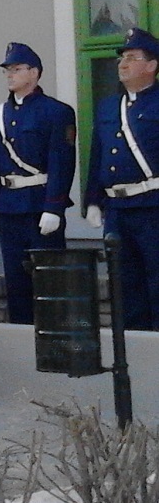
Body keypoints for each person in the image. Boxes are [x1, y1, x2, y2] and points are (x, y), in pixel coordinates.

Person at [0, 43, 77, 324]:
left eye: (17, 69)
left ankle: (55, 337)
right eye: (8, 70)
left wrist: (54, 207)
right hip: (9, 207)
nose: (10, 74)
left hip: (39, 205)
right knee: (16, 281)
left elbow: (61, 162)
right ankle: (21, 334)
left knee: (49, 280)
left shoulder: (56, 112)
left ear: (34, 73)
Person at [84, 26, 159, 330]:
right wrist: (92, 201)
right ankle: (133, 349)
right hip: (116, 210)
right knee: (124, 286)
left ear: (152, 65)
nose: (122, 64)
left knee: (156, 281)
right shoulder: (108, 106)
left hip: (152, 206)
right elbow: (97, 155)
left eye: (131, 57)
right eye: (121, 59)